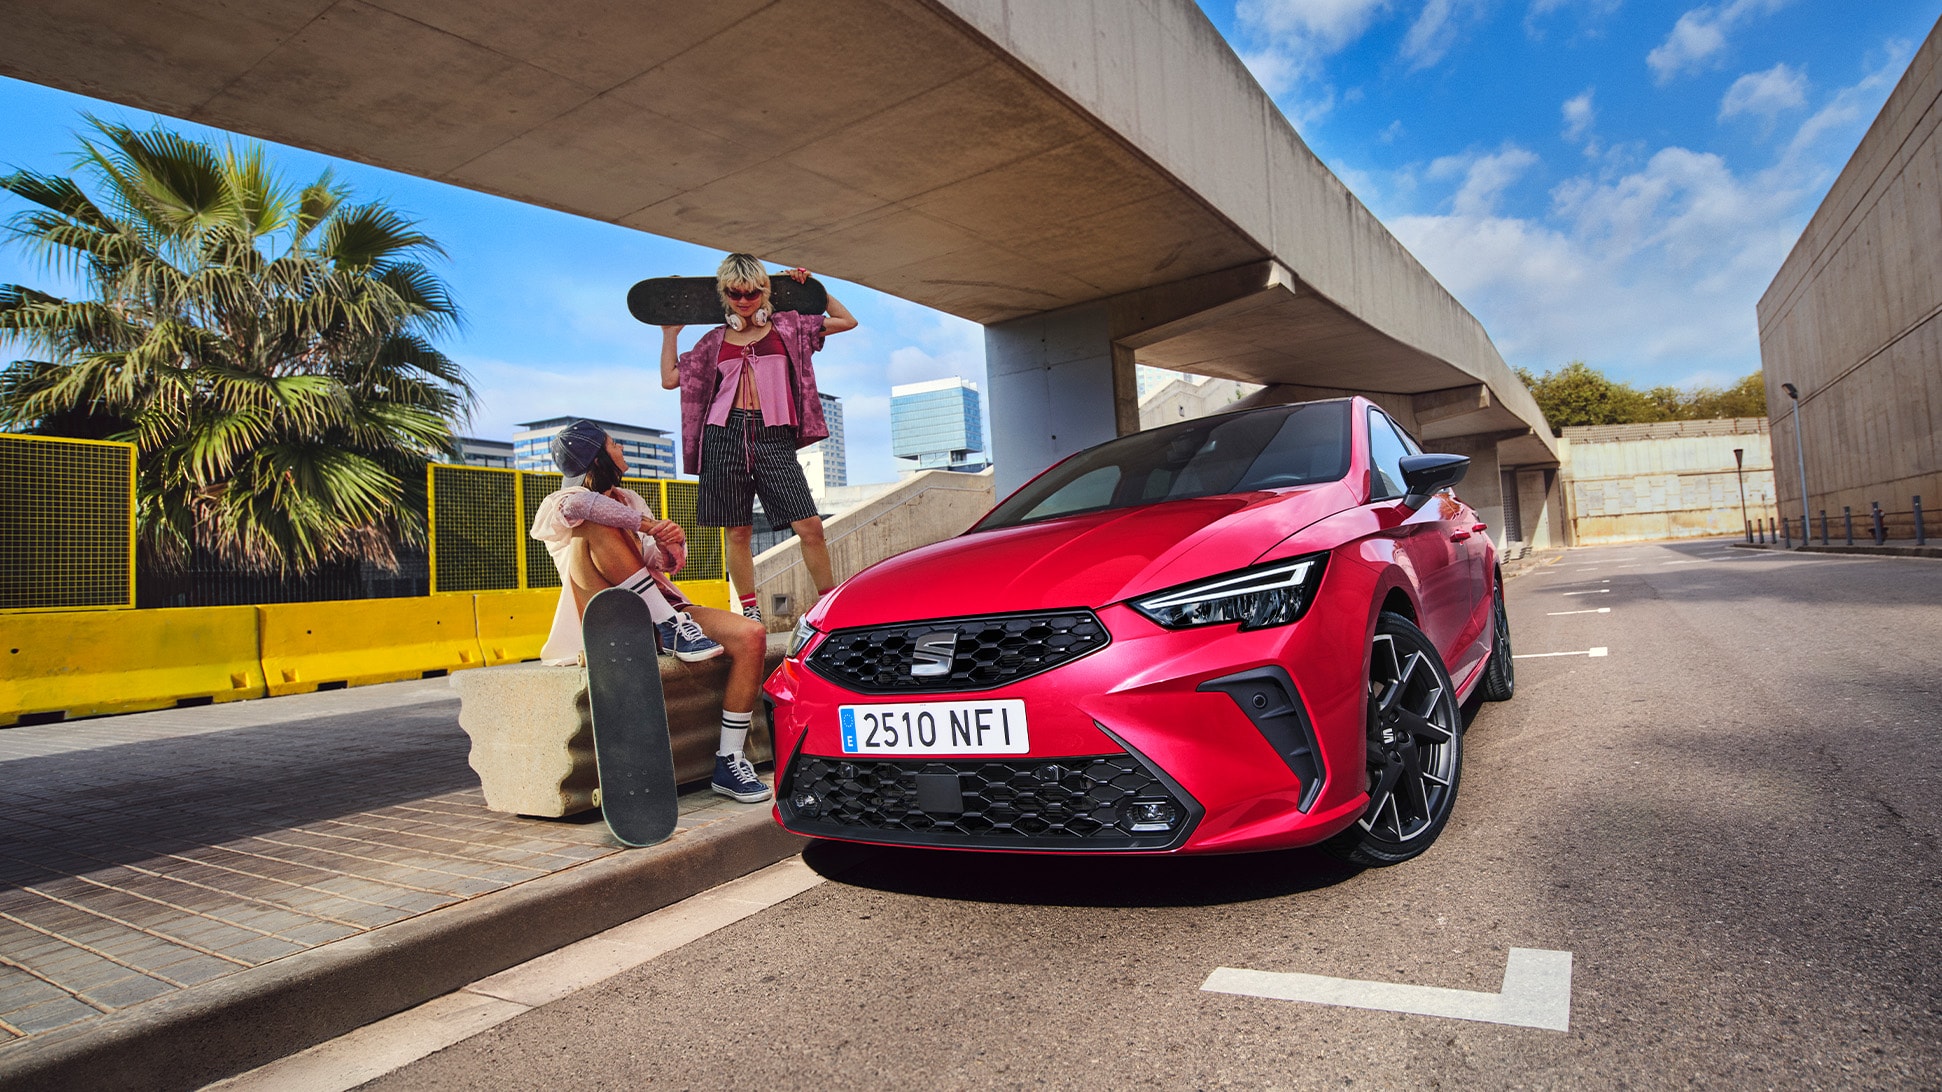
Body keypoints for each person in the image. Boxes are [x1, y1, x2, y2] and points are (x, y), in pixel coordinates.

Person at [529, 419, 773, 803]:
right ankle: (669, 625)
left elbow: (658, 562)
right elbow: (582, 504)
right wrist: (648, 524)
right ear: (595, 456)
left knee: (751, 636)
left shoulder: (630, 500)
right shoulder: (563, 503)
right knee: (596, 520)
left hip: (660, 607)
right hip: (604, 612)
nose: (621, 447)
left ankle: (730, 759)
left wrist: (672, 544)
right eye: (613, 444)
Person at [659, 253, 857, 623]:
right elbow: (670, 378)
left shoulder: (789, 328)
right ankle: (750, 610)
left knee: (809, 525)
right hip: (724, 434)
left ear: (764, 291)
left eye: (751, 292)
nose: (744, 300)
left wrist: (815, 291)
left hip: (773, 434)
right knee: (738, 531)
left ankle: (829, 606)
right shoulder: (714, 340)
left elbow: (847, 321)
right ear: (725, 295)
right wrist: (670, 333)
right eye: (735, 293)